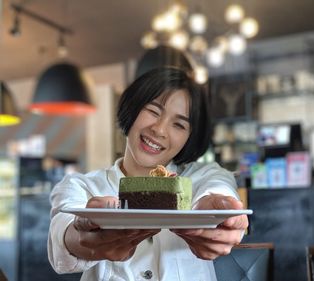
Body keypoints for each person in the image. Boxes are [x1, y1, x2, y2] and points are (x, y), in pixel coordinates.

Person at [48, 67, 248, 281]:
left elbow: (218, 188)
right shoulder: (81, 186)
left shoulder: (204, 176)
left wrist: (217, 212)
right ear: (133, 109)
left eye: (179, 124)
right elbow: (62, 231)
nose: (159, 130)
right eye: (153, 111)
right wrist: (79, 237)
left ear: (190, 137)